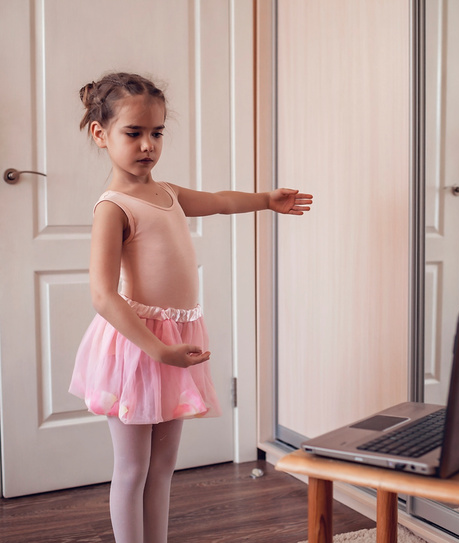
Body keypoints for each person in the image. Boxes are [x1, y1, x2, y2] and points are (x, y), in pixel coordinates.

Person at [69, 72, 313, 542]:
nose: (148, 145)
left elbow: (220, 202)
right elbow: (102, 295)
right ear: (100, 135)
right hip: (137, 348)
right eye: (133, 133)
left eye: (156, 133)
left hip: (175, 340)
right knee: (132, 467)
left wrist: (266, 200)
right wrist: (157, 350)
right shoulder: (113, 207)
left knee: (162, 467)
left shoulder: (168, 194)